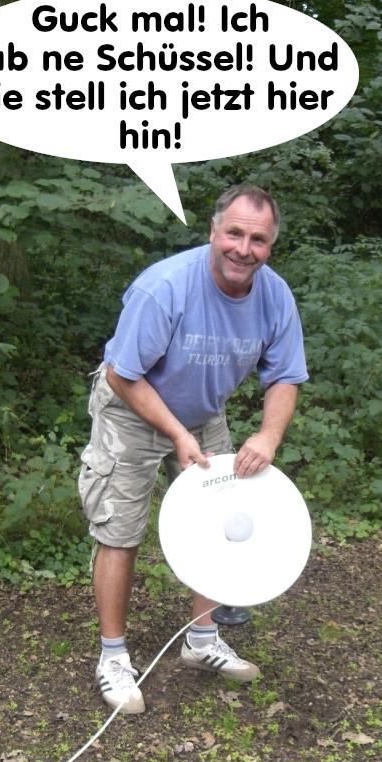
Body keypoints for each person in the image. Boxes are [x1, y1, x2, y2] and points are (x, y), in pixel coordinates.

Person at [78, 184, 308, 713]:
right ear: (213, 231)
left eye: (258, 239)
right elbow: (121, 374)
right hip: (130, 407)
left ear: (271, 245)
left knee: (218, 519)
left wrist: (268, 436)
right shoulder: (165, 288)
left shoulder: (275, 297)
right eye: (234, 233)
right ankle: (113, 658)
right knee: (120, 531)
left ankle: (202, 641)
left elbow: (285, 375)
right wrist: (177, 435)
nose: (243, 249)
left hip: (203, 413)